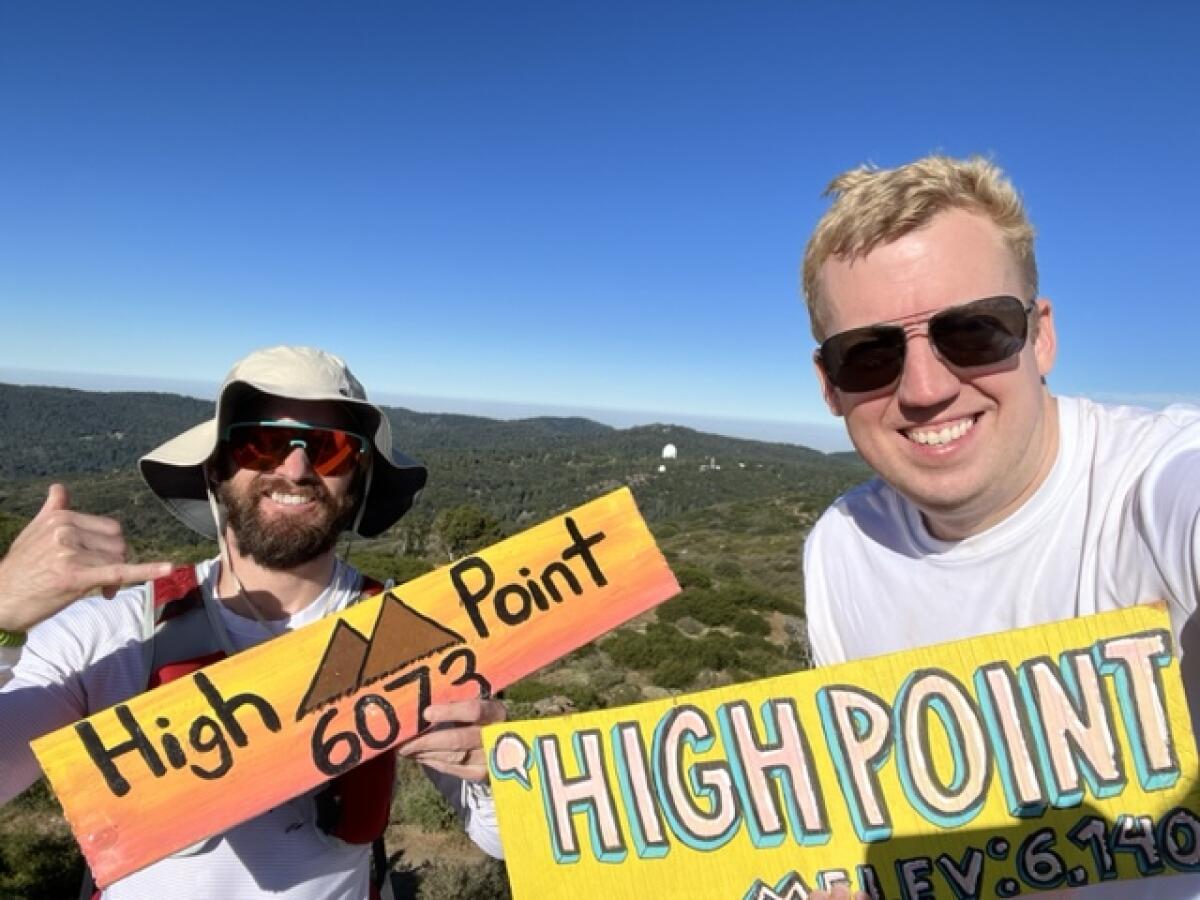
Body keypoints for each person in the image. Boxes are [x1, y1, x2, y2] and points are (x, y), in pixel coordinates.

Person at [800, 156, 1200, 899]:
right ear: (830, 384)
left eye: (974, 331)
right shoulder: (840, 548)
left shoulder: (1154, 483)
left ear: (1039, 336)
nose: (925, 389)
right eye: (870, 355)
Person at [0, 345, 505, 899]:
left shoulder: (411, 633)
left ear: (357, 477)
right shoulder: (112, 631)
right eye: (260, 443)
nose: (295, 469)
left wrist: (498, 764)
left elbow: (496, 836)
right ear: (217, 467)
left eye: (330, 450)